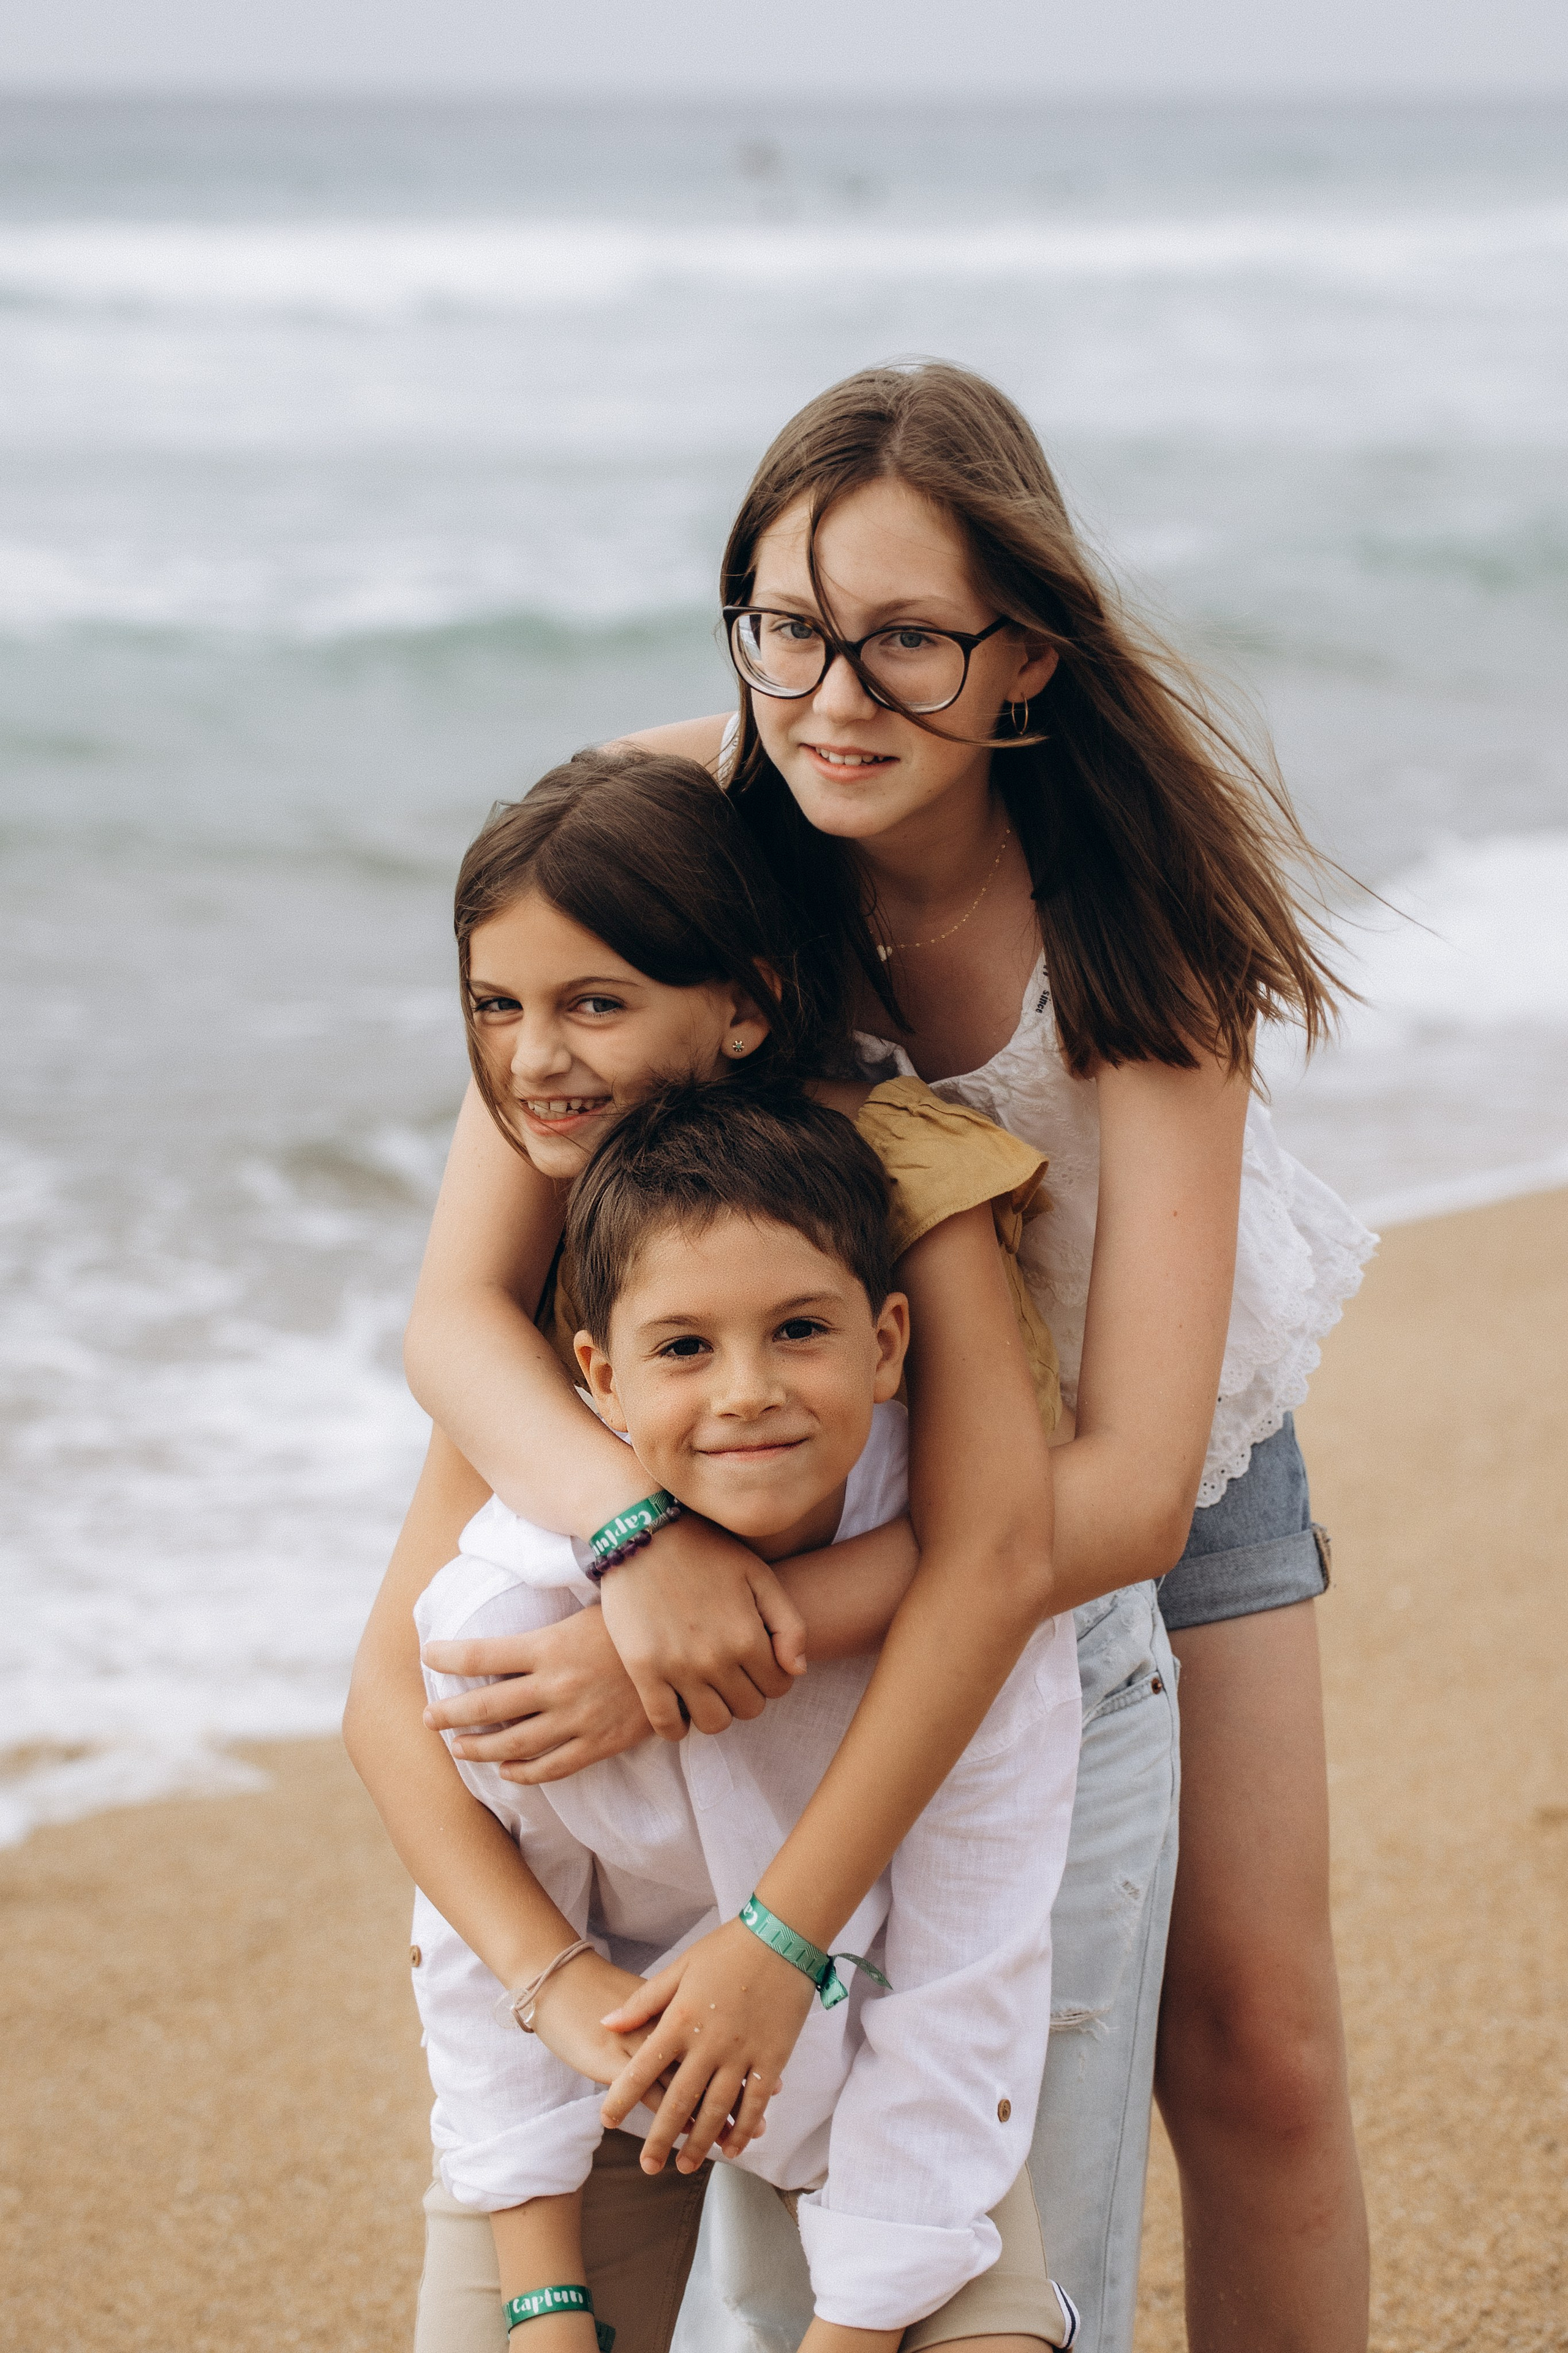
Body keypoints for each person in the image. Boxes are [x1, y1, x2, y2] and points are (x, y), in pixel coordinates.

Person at [368, 361, 1376, 2352]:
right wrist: (650, 1543)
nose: (834, 697)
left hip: (1139, 1452)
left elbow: (1111, 1498)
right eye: (791, 629)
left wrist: (765, 1614)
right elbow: (457, 1315)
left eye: (906, 639)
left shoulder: (1134, 927)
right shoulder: (674, 837)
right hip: (798, 1430)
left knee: (1254, 2033)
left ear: (1026, 659)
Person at [345, 748, 1085, 2347]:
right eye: (494, 1008)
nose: (535, 1060)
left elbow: (995, 1559)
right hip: (593, 2008)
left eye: (594, 1005)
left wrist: (779, 1935)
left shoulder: (902, 1196)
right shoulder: (561, 1294)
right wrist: (632, 1545)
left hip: (877, 1918)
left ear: (743, 1003)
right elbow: (408, 1714)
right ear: (606, 1369)